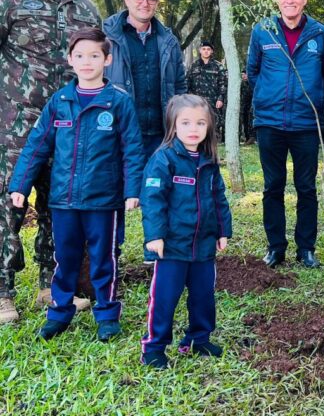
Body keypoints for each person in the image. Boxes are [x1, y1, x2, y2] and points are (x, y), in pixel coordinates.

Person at [8, 28, 144, 340]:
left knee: (103, 259)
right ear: (70, 60)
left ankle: (107, 314)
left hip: (103, 200)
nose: (87, 61)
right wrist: (20, 185)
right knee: (64, 259)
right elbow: (37, 145)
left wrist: (133, 190)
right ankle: (59, 312)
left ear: (106, 60)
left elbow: (133, 150)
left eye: (94, 55)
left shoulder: (119, 103)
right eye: (80, 56)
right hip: (63, 200)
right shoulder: (60, 101)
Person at [0, 0, 101, 323]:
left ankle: (52, 285)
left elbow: (96, 68)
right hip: (16, 126)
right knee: (8, 205)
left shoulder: (88, 10)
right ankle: (3, 292)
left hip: (69, 128)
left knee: (58, 206)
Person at [246, 0, 324, 269]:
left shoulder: (320, 33)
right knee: (273, 186)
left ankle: (306, 249)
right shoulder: (263, 30)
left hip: (306, 123)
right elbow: (253, 72)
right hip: (270, 122)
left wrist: (313, 100)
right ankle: (276, 247)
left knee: (306, 187)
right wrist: (270, 97)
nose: (290, 0)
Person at [140, 95, 233, 369]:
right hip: (171, 247)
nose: (193, 128)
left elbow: (219, 198)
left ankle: (198, 338)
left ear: (208, 128)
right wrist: (154, 235)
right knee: (165, 298)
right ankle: (154, 347)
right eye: (186, 122)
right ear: (173, 125)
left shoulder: (209, 161)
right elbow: (153, 200)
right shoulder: (163, 160)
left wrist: (222, 231)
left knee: (204, 295)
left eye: (200, 123)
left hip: (203, 246)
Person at [104, 0, 188, 160]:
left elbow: (180, 86)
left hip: (161, 136)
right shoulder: (106, 37)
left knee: (156, 187)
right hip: (119, 134)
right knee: (125, 187)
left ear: (156, 3)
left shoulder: (169, 41)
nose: (145, 3)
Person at [187, 40, 227, 142]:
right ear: (200, 50)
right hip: (197, 102)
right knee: (198, 124)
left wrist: (220, 99)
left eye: (208, 49)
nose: (206, 51)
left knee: (214, 125)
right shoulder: (193, 66)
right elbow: (187, 84)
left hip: (213, 102)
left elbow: (223, 84)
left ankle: (215, 148)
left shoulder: (218, 66)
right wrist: (190, 99)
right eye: (204, 49)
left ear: (212, 51)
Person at [239, 70, 255, 144]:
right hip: (244, 106)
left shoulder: (252, 83)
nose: (244, 76)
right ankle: (247, 137)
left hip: (251, 106)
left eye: (245, 74)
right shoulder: (241, 84)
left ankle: (252, 137)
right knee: (244, 121)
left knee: (250, 121)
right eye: (242, 75)